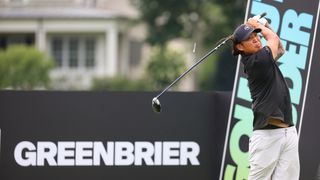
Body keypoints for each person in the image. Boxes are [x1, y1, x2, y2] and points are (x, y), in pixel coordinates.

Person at [230, 17, 300, 179]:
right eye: (249, 38)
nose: (255, 39)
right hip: (267, 136)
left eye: (256, 35)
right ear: (240, 46)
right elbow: (273, 39)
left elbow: (280, 49)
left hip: (288, 131)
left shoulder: (264, 57)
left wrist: (265, 26)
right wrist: (260, 26)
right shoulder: (256, 61)